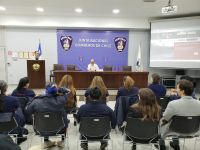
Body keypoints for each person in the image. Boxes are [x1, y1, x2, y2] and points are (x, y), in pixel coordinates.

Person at [26, 83, 69, 148]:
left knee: (45, 119)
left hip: (40, 129)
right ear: (56, 91)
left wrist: (31, 100)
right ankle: (62, 140)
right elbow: (68, 92)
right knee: (65, 119)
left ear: (45, 91)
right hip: (59, 129)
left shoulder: (36, 101)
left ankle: (46, 140)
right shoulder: (61, 100)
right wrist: (61, 90)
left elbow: (27, 110)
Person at [161, 80, 200, 150]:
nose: (176, 90)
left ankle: (162, 145)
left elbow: (165, 118)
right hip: (194, 130)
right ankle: (175, 144)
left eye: (177, 88)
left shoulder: (173, 104)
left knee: (160, 124)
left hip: (174, 130)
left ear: (182, 91)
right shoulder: (199, 103)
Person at [0, 80, 28, 145]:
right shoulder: (13, 99)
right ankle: (19, 135)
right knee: (18, 113)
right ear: (6, 89)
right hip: (10, 126)